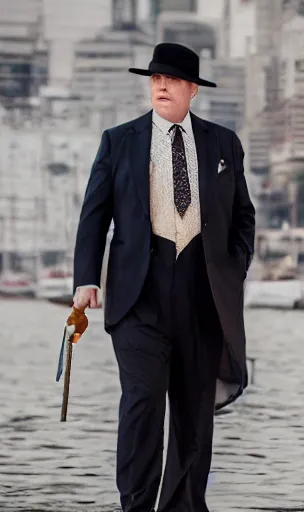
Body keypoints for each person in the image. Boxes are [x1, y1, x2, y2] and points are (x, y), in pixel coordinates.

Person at [72, 42, 255, 512]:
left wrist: (232, 271)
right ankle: (135, 506)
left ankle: (185, 507)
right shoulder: (119, 140)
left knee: (195, 417)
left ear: (193, 89)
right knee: (142, 406)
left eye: (171, 80)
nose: (161, 86)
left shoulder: (223, 143)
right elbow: (94, 214)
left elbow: (242, 217)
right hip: (138, 299)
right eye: (155, 79)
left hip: (203, 298)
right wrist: (85, 279)